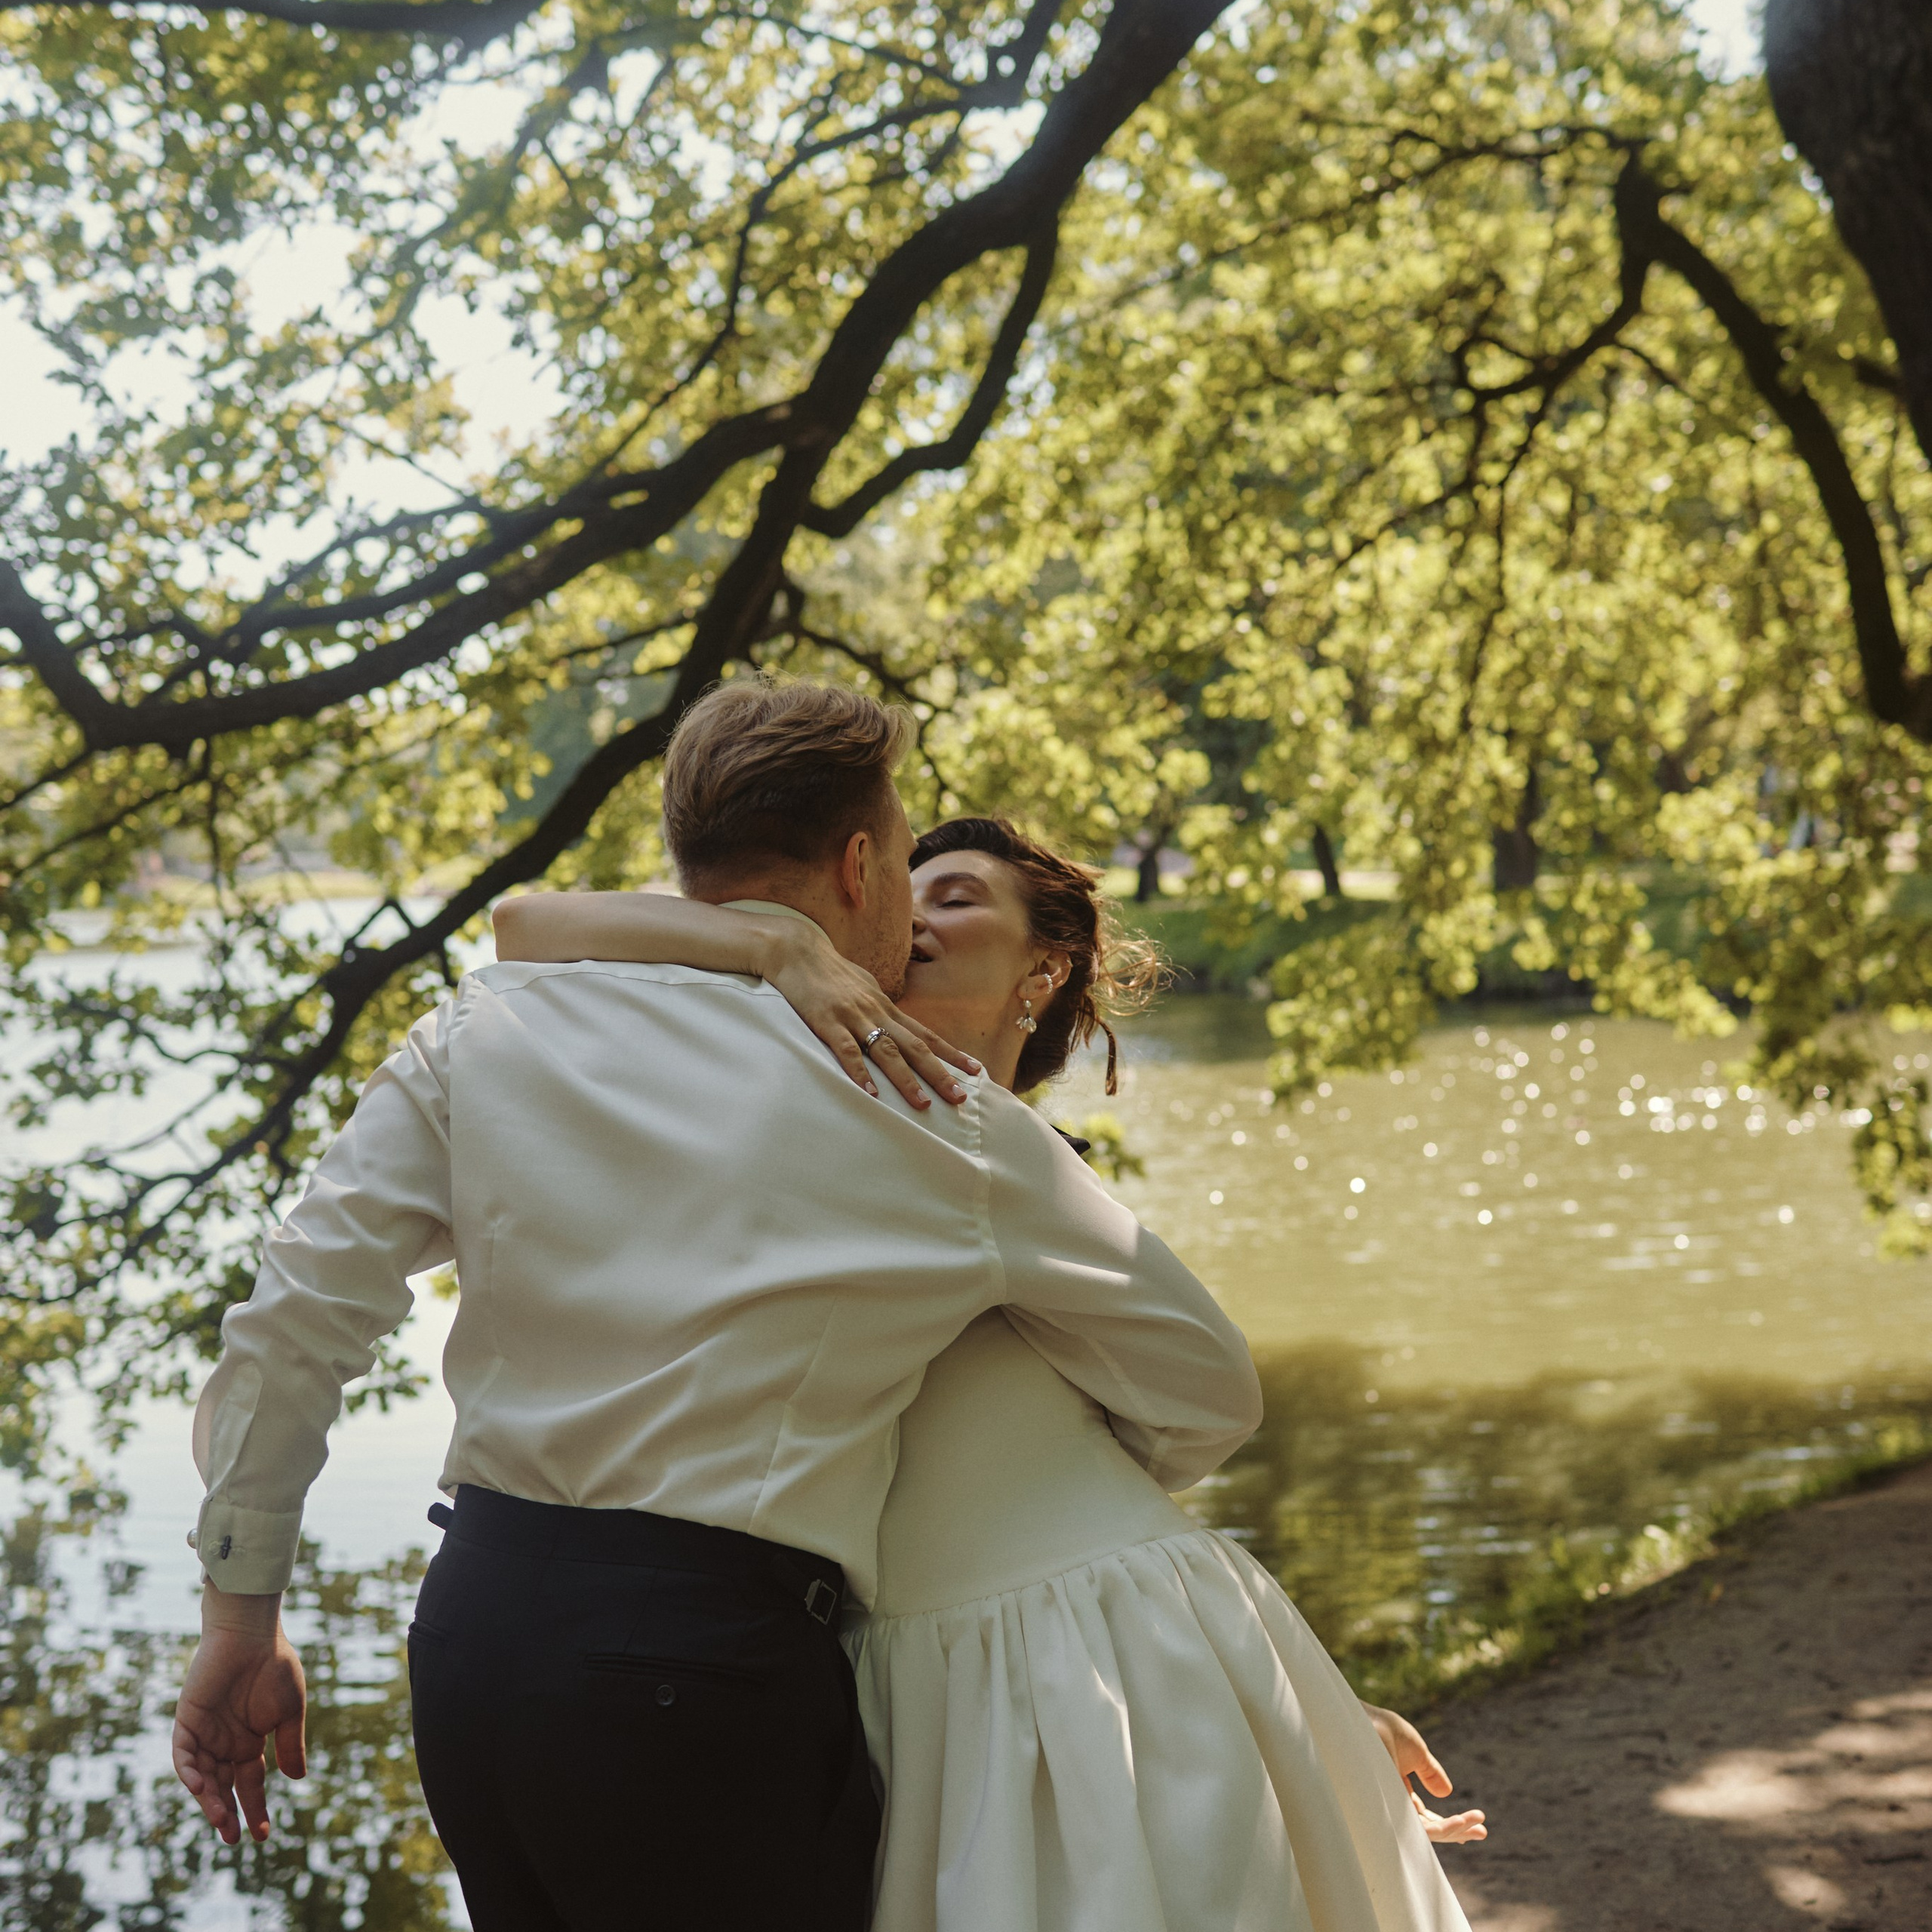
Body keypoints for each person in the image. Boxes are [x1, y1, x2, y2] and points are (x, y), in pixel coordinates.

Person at [171, 678, 1264, 1932]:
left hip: (474, 1642)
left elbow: (294, 1322)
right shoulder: (932, 1109)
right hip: (701, 1667)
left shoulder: (484, 1026)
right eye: (908, 855)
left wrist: (240, 1617)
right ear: (861, 864)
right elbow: (1207, 1388)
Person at [494, 813, 1485, 1932]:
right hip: (894, 1686)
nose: (914, 915)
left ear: (1045, 967)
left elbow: (1211, 1401)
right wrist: (776, 943)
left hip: (1086, 1660)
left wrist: (1298, 1708)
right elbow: (529, 926)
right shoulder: (790, 1116)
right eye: (903, 892)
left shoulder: (1011, 1160)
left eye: (957, 896)